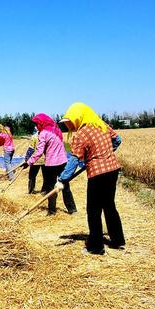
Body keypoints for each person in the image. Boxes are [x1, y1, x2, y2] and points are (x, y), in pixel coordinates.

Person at [58, 102, 125, 255]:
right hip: (113, 169)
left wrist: (62, 180)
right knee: (109, 206)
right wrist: (105, 154)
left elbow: (74, 160)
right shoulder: (102, 125)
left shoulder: (81, 135)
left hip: (98, 173)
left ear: (78, 117)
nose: (70, 124)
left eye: (71, 120)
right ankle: (118, 241)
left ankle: (96, 247)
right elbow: (118, 140)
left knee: (93, 210)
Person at [21, 113, 77, 215]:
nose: (37, 127)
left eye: (37, 124)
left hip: (51, 164)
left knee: (50, 188)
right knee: (65, 186)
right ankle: (72, 209)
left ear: (42, 123)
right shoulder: (57, 130)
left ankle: (52, 212)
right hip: (63, 161)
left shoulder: (43, 134)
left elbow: (39, 151)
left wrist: (28, 162)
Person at [24, 129, 46, 194]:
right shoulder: (46, 136)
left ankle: (31, 190)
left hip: (35, 159)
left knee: (32, 176)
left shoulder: (34, 137)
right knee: (45, 176)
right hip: (44, 160)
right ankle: (44, 190)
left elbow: (31, 149)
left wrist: (27, 158)